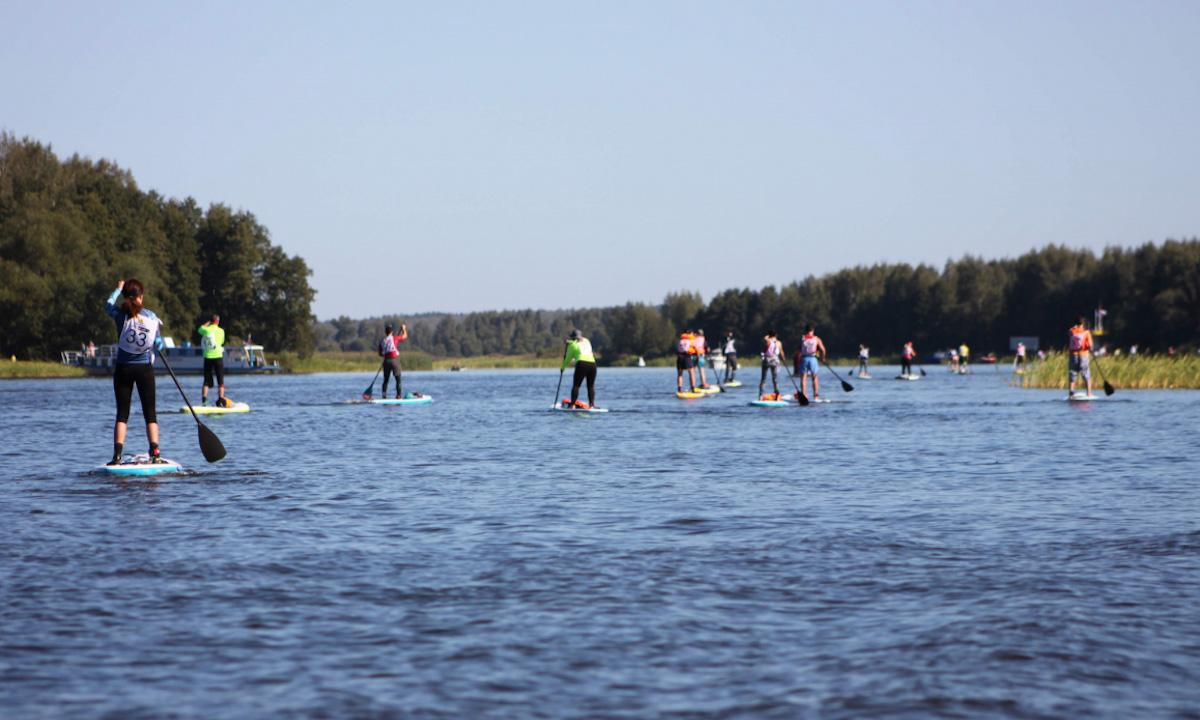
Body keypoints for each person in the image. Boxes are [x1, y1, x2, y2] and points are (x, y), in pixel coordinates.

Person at [104, 279, 166, 465]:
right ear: (141, 297)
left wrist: (118, 289)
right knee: (150, 414)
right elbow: (159, 344)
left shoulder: (119, 315)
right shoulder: (152, 317)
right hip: (144, 370)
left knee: (122, 415)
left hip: (123, 369)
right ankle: (155, 454)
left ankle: (116, 456)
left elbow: (108, 305)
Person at [197, 314, 228, 406]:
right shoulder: (221, 331)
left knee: (206, 380)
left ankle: (204, 401)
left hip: (207, 357)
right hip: (218, 357)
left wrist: (207, 324)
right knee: (220, 380)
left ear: (210, 321)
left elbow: (200, 329)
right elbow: (222, 342)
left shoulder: (206, 330)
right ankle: (221, 400)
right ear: (217, 322)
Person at [562, 329, 598, 408]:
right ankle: (591, 405)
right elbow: (579, 342)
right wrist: (569, 342)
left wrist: (562, 368)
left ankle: (572, 405)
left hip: (582, 363)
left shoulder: (573, 345)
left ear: (572, 337)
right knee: (590, 386)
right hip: (593, 363)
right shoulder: (587, 341)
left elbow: (568, 358)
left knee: (576, 385)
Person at [795, 324, 826, 400]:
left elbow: (799, 347)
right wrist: (823, 358)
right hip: (813, 359)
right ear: (813, 330)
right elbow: (823, 350)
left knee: (803, 378)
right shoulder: (817, 339)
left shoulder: (802, 338)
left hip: (804, 359)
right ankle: (815, 396)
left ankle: (803, 395)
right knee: (814, 378)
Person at [377, 323, 408, 398]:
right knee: (398, 379)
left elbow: (380, 354)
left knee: (386, 380)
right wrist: (404, 328)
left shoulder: (382, 341)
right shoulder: (395, 338)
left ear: (386, 332)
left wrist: (386, 355)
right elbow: (405, 336)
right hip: (394, 361)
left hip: (386, 361)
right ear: (392, 332)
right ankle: (398, 396)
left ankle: (384, 396)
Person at [1068, 316, 1095, 398]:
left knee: (1073, 373)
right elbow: (1090, 346)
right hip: (1083, 355)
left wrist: (1074, 327)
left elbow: (1069, 332)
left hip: (1073, 355)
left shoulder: (1072, 331)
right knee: (1086, 374)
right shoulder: (1086, 332)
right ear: (1083, 323)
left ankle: (1071, 394)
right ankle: (1089, 394)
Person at [759, 330, 783, 399]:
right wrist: (783, 358)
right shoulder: (779, 343)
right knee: (775, 379)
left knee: (763, 379)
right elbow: (781, 351)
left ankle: (760, 395)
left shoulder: (768, 341)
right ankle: (777, 395)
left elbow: (764, 338)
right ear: (776, 335)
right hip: (775, 361)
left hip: (767, 360)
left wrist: (768, 336)